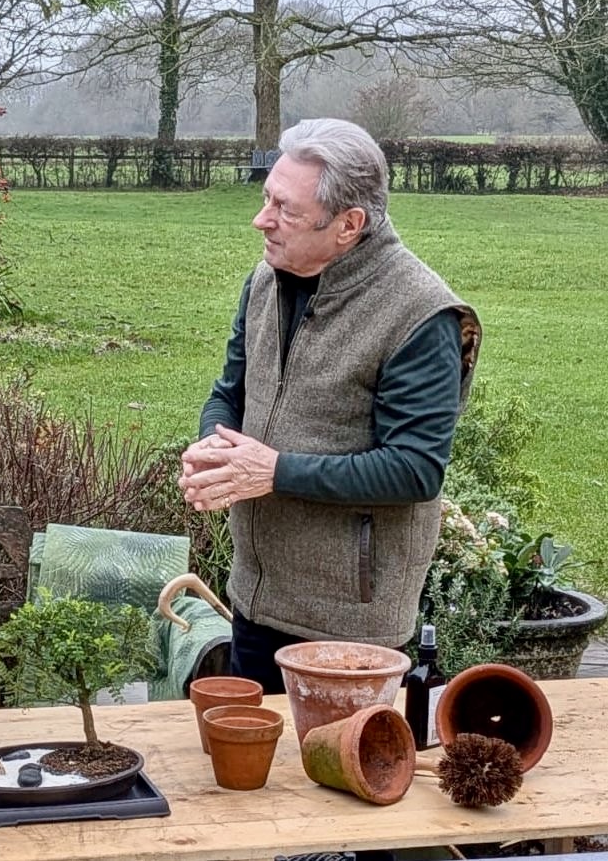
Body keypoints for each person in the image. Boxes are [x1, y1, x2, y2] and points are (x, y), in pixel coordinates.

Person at [178, 118, 481, 694]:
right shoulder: (265, 281)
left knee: (332, 758)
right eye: (267, 198)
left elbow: (415, 469)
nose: (262, 219)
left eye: (285, 209)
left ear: (349, 225)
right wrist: (216, 449)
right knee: (256, 754)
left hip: (350, 628)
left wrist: (274, 471)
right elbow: (230, 392)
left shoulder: (419, 315)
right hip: (256, 598)